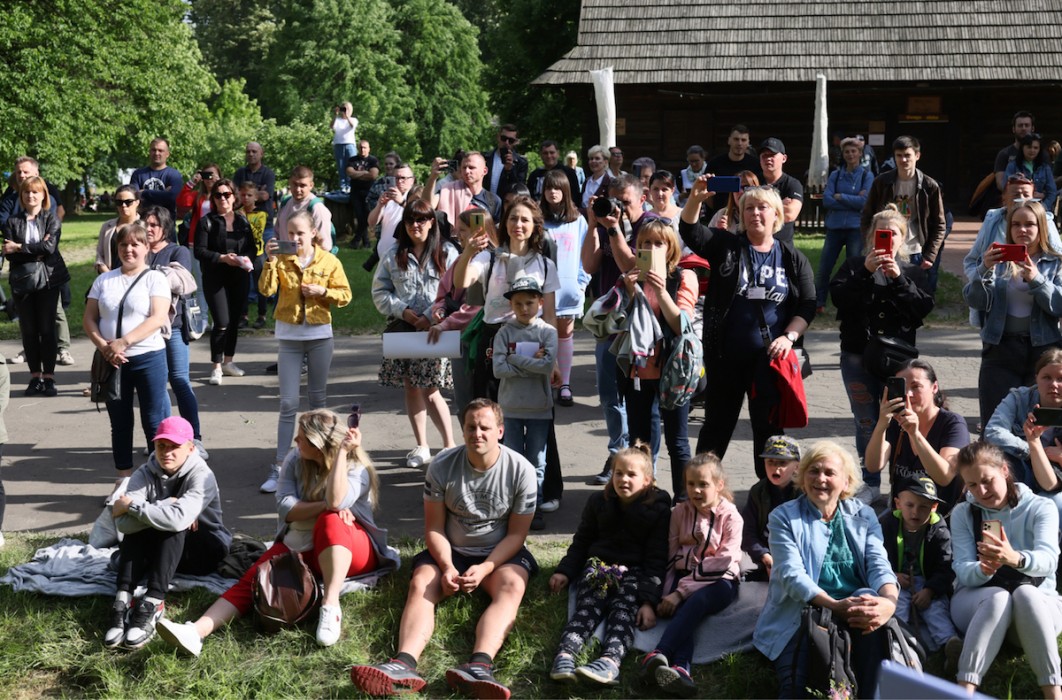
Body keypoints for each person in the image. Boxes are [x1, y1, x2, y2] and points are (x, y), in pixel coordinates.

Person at [157, 409, 399, 653]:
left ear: (318, 445)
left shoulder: (355, 467)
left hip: (350, 552)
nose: (295, 440)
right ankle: (196, 632)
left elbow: (336, 502)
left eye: (302, 437)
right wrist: (324, 506)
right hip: (301, 542)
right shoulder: (296, 458)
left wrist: (342, 454)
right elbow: (285, 508)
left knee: (331, 520)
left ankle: (331, 605)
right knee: (253, 578)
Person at [350, 399, 538, 699]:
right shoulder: (442, 465)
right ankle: (403, 664)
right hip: (452, 549)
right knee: (421, 582)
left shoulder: (522, 471)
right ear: (462, 431)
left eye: (485, 427)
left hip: (501, 553)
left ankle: (479, 667)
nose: (477, 433)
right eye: (471, 427)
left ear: (500, 431)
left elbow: (517, 535)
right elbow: (434, 528)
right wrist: (448, 566)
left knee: (513, 586)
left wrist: (486, 567)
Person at [679, 178, 816, 479]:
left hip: (768, 361)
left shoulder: (792, 258)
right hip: (725, 357)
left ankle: (769, 492)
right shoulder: (726, 246)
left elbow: (808, 304)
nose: (755, 213)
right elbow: (691, 231)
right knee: (716, 427)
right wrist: (695, 200)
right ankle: (700, 487)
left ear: (776, 214)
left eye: (762, 207)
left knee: (768, 430)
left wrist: (789, 336)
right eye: (749, 208)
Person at [753, 441, 899, 698]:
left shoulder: (864, 515)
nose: (820, 479)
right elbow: (791, 576)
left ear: (846, 482)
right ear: (803, 476)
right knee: (798, 687)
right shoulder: (783, 517)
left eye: (830, 473)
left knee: (874, 675)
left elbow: (879, 564)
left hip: (855, 611)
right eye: (813, 470)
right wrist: (834, 605)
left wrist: (889, 602)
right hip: (801, 613)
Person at [548, 443, 670, 688]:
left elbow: (656, 558)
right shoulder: (598, 501)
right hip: (600, 567)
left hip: (635, 571)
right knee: (588, 606)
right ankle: (565, 656)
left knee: (623, 610)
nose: (623, 479)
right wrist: (565, 571)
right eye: (618, 473)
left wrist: (648, 602)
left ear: (647, 481)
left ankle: (610, 662)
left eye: (631, 475)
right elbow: (582, 541)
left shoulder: (658, 510)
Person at [103, 416, 231, 650]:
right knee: (150, 525)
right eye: (161, 445)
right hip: (163, 552)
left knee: (172, 525)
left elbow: (176, 520)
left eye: (174, 446)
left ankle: (153, 601)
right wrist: (165, 506)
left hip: (205, 551)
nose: (167, 452)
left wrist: (134, 507)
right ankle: (122, 600)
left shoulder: (202, 475)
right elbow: (123, 526)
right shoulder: (144, 472)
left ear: (190, 448)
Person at [947, 441, 1062, 698]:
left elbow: (1049, 561)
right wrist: (984, 569)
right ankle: (964, 690)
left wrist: (1016, 558)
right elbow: (962, 570)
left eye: (987, 481)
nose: (981, 491)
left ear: (1004, 470)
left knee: (1025, 593)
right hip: (979, 605)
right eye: (972, 485)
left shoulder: (1040, 507)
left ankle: (1054, 692)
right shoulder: (963, 513)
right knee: (999, 597)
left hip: (1037, 608)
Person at [830, 205, 934, 474]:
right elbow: (839, 299)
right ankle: (870, 481)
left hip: (898, 360)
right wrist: (865, 272)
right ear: (870, 237)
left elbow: (923, 308)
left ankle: (902, 478)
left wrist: (899, 279)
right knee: (866, 421)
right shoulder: (854, 266)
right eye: (881, 234)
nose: (887, 239)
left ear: (902, 238)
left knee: (902, 419)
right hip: (857, 355)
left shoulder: (912, 272)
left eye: (893, 234)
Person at [258, 211, 351, 493]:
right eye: (290, 233)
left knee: (317, 402)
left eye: (300, 233)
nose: (295, 238)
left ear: (313, 233)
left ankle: (320, 463)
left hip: (320, 335)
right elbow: (266, 290)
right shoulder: (281, 259)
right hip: (289, 337)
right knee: (288, 403)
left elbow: (345, 295)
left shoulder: (329, 260)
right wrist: (269, 261)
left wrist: (323, 292)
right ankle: (280, 466)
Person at [642, 453, 743, 696]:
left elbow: (723, 561)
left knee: (695, 601)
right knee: (680, 609)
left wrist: (680, 592)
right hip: (683, 575)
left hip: (720, 581)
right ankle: (681, 670)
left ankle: (660, 652)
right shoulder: (679, 512)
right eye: (690, 484)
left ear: (719, 485)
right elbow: (670, 553)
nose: (696, 490)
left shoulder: (731, 516)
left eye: (703, 484)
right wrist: (664, 593)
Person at [372, 199, 459, 468]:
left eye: (421, 219)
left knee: (431, 389)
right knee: (411, 386)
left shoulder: (447, 252)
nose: (415, 225)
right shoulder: (392, 254)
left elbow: (456, 291)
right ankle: (421, 445)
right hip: (404, 328)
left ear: (432, 222)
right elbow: (379, 292)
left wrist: (431, 314)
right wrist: (404, 311)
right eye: (410, 220)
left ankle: (449, 446)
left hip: (435, 330)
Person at [84, 223, 171, 479]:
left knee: (153, 421)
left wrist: (123, 342)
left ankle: (158, 478)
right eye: (123, 244)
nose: (128, 249)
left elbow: (158, 318)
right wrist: (105, 347)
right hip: (112, 361)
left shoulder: (155, 278)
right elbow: (89, 319)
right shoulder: (103, 280)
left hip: (148, 358)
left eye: (135, 244)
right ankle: (123, 479)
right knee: (120, 424)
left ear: (146, 248)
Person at [964, 200, 1062, 427]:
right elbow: (976, 301)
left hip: (1043, 351)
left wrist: (1037, 280)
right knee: (994, 422)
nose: (1022, 230)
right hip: (1000, 349)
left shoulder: (1055, 262)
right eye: (1016, 224)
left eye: (1029, 224)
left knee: (1038, 424)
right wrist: (984, 269)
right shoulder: (998, 259)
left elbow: (1058, 306)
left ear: (1041, 227)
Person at [453, 195, 560, 402]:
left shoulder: (545, 265)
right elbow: (461, 281)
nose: (518, 225)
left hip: (530, 340)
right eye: (513, 218)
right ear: (505, 222)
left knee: (526, 406)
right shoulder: (490, 258)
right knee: (488, 407)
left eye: (525, 220)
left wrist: (552, 358)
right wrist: (468, 252)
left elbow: (549, 316)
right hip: (493, 337)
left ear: (535, 226)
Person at [619, 218, 697, 497]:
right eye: (645, 243)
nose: (651, 249)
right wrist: (630, 292)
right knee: (639, 442)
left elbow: (681, 326)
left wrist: (662, 290)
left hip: (673, 371)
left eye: (658, 243)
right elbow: (621, 326)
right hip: (639, 372)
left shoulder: (684, 277)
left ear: (670, 248)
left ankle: (683, 501)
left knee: (677, 442)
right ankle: (642, 497)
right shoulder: (632, 277)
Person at [865, 359, 970, 515]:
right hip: (902, 516)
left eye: (916, 387)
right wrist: (881, 424)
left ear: (934, 387)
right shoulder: (895, 421)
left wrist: (914, 434)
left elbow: (944, 476)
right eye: (903, 388)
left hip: (941, 517)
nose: (908, 394)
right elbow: (873, 465)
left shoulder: (952, 423)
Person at [143, 205, 207, 460]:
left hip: (175, 326)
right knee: (157, 386)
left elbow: (180, 282)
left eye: (154, 225)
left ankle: (194, 439)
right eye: (145, 224)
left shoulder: (177, 251)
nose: (148, 229)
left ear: (165, 227)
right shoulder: (138, 250)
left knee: (179, 380)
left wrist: (150, 275)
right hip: (145, 330)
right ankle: (165, 440)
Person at [3, 176, 71, 396]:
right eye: (26, 192)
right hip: (22, 282)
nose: (31, 196)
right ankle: (34, 377)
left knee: (47, 329)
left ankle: (49, 377)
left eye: (35, 192)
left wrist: (19, 246)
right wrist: (33, 249)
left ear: (43, 195)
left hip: (48, 280)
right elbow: (10, 254)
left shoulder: (51, 219)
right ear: (21, 196)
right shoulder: (12, 222)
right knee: (29, 330)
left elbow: (49, 248)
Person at [878, 476, 958, 653]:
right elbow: (876, 558)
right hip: (896, 580)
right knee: (897, 605)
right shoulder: (887, 525)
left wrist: (930, 590)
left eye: (923, 507)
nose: (915, 512)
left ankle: (949, 643)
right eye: (910, 505)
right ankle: (898, 643)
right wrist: (892, 575)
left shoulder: (939, 531)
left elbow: (946, 566)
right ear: (898, 503)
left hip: (928, 583)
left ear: (934, 507)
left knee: (936, 609)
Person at [426, 208, 491, 413]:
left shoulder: (491, 260)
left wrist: (446, 324)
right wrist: (439, 309)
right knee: (463, 399)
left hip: (481, 337)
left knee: (482, 398)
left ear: (478, 231)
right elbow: (443, 292)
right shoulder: (460, 260)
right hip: (459, 339)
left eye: (462, 230)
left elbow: (476, 307)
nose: (456, 234)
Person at [860, 136, 947, 288]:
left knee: (913, 291)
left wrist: (930, 255)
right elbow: (867, 216)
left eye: (907, 155)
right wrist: (869, 245)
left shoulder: (929, 186)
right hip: (885, 246)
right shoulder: (882, 182)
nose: (903, 160)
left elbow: (939, 224)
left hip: (915, 249)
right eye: (899, 155)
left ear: (917, 156)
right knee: (882, 288)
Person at [983, 347, 1062, 510]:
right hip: (1021, 470)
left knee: (1056, 504)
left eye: (1060, 379)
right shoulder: (1019, 398)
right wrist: (1033, 451)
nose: (1053, 385)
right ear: (1036, 378)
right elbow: (993, 431)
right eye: (1047, 377)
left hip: (1056, 477)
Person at [193, 179, 255, 385]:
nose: (223, 199)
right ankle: (216, 367)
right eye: (218, 195)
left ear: (234, 197)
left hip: (239, 276)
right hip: (215, 278)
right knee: (221, 322)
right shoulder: (207, 222)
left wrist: (244, 259)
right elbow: (199, 251)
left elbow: (252, 248)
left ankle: (229, 362)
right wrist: (222, 258)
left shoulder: (242, 221)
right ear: (213, 199)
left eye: (227, 194)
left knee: (234, 321)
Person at [540, 169, 589, 405]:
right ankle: (545, 381)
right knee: (542, 335)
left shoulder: (578, 221)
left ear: (566, 191)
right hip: (542, 289)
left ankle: (565, 384)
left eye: (557, 188)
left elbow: (585, 255)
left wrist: (581, 284)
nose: (552, 192)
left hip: (568, 289)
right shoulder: (538, 220)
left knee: (565, 334)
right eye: (548, 188)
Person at [817, 137, 874, 310]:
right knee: (824, 267)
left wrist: (840, 196)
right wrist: (853, 200)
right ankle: (818, 303)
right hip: (834, 228)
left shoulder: (867, 175)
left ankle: (851, 303)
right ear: (843, 154)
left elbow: (864, 202)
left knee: (854, 268)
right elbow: (827, 200)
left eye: (853, 151)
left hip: (855, 229)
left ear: (860, 153)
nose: (850, 155)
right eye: (847, 152)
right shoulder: (835, 175)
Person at [741, 435, 801, 582]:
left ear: (797, 466)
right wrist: (764, 556)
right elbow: (748, 532)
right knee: (739, 572)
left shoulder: (804, 493)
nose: (775, 468)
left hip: (796, 553)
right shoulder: (758, 491)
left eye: (782, 463)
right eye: (770, 462)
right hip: (764, 552)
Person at [424, 151, 502, 225]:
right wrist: (433, 177)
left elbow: (495, 230)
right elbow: (426, 207)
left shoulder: (493, 201)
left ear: (484, 171)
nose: (467, 171)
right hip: (451, 234)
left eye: (471, 167)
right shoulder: (448, 190)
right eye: (464, 167)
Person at [366, 162, 415, 264]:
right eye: (396, 178)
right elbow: (371, 223)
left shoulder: (416, 195)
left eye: (403, 178)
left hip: (405, 256)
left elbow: (419, 215)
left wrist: (402, 202)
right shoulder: (389, 197)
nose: (399, 181)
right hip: (384, 257)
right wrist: (380, 205)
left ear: (412, 180)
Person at [276, 166, 334, 251]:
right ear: (290, 182)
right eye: (295, 184)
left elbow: (325, 245)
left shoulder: (317, 208)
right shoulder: (285, 202)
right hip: (284, 256)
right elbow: (277, 232)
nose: (298, 189)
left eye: (302, 185)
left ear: (311, 185)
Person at [757, 138, 804, 243]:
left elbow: (790, 214)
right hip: (756, 242)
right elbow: (743, 211)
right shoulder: (753, 181)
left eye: (772, 155)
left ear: (784, 158)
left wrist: (759, 207)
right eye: (764, 156)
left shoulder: (793, 184)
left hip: (783, 244)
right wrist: (779, 205)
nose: (768, 159)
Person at [706, 126, 760, 212]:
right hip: (720, 214)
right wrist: (719, 211)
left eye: (743, 140)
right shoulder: (715, 164)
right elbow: (706, 192)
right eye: (736, 139)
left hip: (748, 213)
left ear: (748, 143)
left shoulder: (756, 165)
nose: (739, 143)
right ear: (729, 140)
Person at [237, 180, 268, 328]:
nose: (246, 198)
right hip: (243, 253)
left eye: (249, 195)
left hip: (257, 254)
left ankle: (262, 315)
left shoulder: (261, 214)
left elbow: (257, 234)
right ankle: (243, 316)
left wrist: (244, 220)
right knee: (243, 286)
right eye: (243, 195)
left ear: (256, 197)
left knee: (260, 285)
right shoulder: (237, 212)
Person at [1005, 132, 1058, 213]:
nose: (1032, 150)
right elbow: (1006, 188)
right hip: (1017, 209)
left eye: (1035, 148)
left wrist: (1042, 208)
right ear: (1022, 148)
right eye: (1029, 147)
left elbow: (1052, 192)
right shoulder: (1012, 166)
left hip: (1041, 209)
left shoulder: (1045, 168)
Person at [129, 138, 183, 216]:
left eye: (160, 150)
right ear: (149, 152)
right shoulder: (138, 174)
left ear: (167, 154)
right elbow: (133, 197)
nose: (156, 153)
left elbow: (172, 197)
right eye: (153, 150)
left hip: (166, 221)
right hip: (142, 221)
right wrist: (164, 194)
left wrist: (144, 192)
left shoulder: (174, 175)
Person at [95, 185, 140, 274]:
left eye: (128, 202)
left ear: (137, 202)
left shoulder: (145, 226)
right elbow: (99, 256)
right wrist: (108, 275)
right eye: (119, 202)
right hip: (109, 276)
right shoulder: (107, 226)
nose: (123, 205)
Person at [345, 139, 380, 249]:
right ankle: (365, 241)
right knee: (360, 216)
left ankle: (356, 241)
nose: (362, 149)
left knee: (365, 217)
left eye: (365, 147)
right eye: (360, 147)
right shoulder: (352, 160)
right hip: (355, 192)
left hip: (369, 192)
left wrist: (357, 174)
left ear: (369, 149)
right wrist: (365, 173)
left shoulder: (373, 160)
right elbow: (349, 173)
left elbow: (373, 175)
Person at [994, 110, 1036, 192]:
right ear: (1013, 129)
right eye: (1020, 125)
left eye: (1027, 125)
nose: (1023, 128)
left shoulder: (1042, 154)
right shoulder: (1004, 154)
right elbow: (1000, 184)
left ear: (1032, 128)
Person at [484, 124, 529, 198]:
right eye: (504, 138)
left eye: (511, 140)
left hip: (506, 203)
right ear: (498, 137)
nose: (506, 142)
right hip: (484, 201)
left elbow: (519, 190)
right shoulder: (484, 158)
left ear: (515, 142)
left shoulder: (521, 163)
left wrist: (510, 170)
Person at [331, 101, 359, 191]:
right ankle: (343, 187)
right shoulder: (338, 120)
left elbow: (352, 126)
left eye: (346, 109)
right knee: (341, 167)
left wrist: (347, 116)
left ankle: (351, 186)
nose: (344, 111)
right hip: (339, 145)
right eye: (343, 109)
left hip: (350, 144)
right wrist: (335, 115)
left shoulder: (353, 120)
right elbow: (331, 126)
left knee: (352, 166)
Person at [581, 145, 612, 210]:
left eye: (597, 158)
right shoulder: (587, 182)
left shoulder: (610, 183)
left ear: (605, 162)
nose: (593, 161)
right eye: (591, 159)